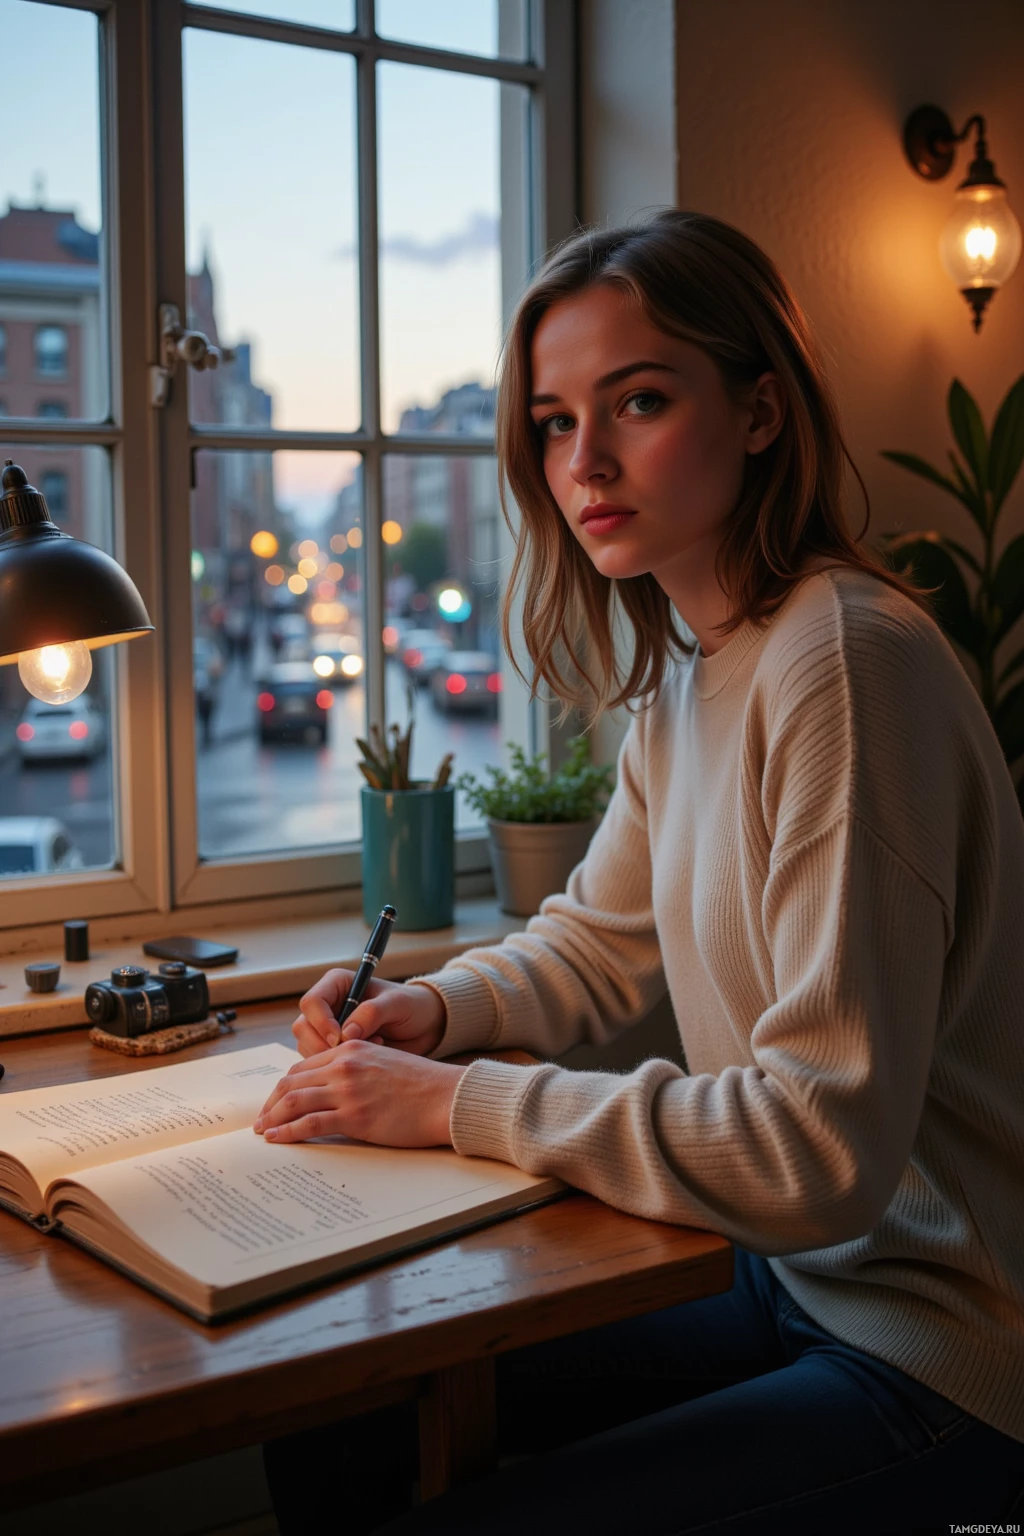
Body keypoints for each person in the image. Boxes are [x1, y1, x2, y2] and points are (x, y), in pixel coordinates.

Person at [257, 211, 1024, 1534]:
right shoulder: (691, 666)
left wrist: (452, 1102)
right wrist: (433, 1013)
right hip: (791, 1277)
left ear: (763, 412)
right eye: (554, 422)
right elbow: (593, 941)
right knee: (336, 1415)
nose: (586, 462)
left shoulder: (843, 666)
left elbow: (817, 1147)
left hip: (938, 1339)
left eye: (641, 400)